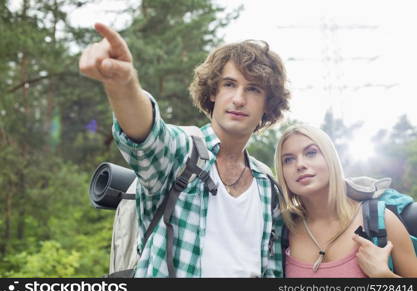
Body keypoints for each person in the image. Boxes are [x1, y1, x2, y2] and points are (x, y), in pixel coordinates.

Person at [79, 23, 290, 277]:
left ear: (268, 104)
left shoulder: (268, 186)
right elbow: (147, 136)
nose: (238, 99)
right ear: (213, 92)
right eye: (230, 85)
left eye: (253, 89)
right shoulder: (184, 152)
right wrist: (123, 84)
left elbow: (273, 271)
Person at [275, 124, 417, 277]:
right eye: (288, 160)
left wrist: (384, 276)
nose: (300, 165)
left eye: (311, 153)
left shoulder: (383, 220)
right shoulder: (282, 230)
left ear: (331, 159)